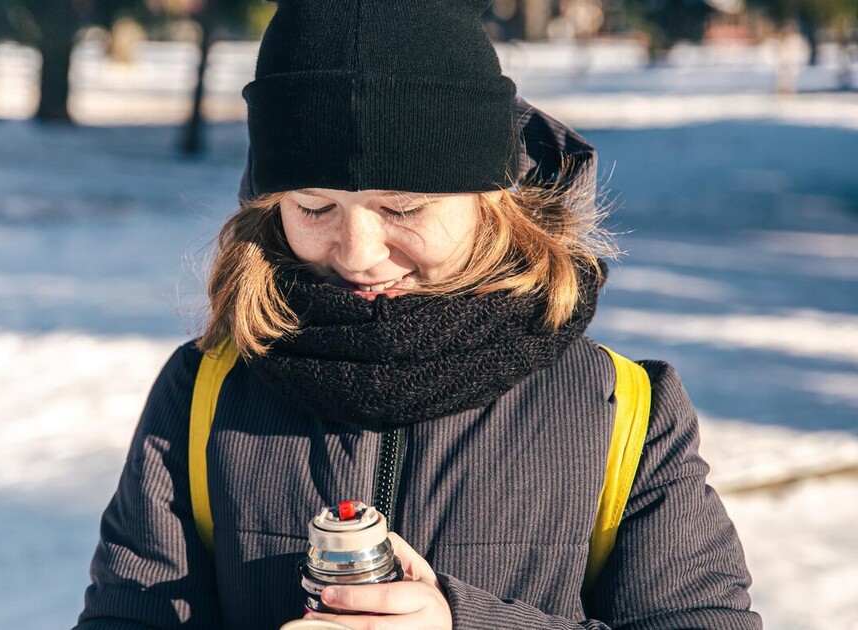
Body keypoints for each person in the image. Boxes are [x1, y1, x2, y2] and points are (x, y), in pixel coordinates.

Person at [75, 0, 761, 628]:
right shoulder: (204, 394)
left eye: (403, 208)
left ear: (494, 201)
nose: (358, 253)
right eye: (314, 207)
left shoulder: (623, 413)